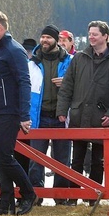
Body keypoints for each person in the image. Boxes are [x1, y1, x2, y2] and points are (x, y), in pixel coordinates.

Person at [57, 20, 109, 205]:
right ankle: (73, 197)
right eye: (90, 34)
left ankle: (93, 196)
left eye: (95, 34)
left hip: (102, 116)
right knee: (77, 159)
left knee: (98, 161)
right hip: (79, 115)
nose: (91, 37)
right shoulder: (79, 58)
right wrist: (62, 109)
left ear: (105, 36)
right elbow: (67, 86)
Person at [0, 11, 37, 216]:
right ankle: (6, 203)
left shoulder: (14, 50)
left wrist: (24, 115)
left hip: (9, 113)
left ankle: (28, 192)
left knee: (5, 156)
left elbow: (24, 81)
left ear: (0, 28)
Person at [28, 25, 73, 204]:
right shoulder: (32, 62)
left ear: (56, 40)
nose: (44, 40)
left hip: (61, 116)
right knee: (35, 158)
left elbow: (78, 85)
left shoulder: (69, 61)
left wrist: (67, 83)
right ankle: (36, 195)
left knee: (62, 159)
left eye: (48, 37)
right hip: (39, 116)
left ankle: (60, 197)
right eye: (42, 37)